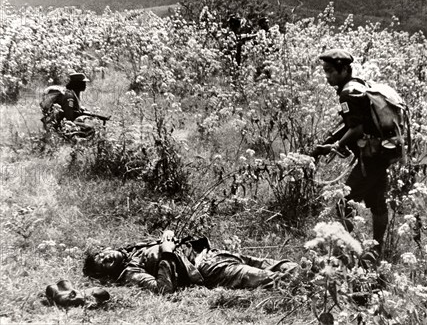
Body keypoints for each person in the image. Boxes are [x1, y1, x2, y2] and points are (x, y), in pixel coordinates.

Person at [311, 49, 398, 256]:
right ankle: (377, 250)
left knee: (344, 203)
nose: (327, 76)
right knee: (378, 202)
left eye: (330, 71)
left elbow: (357, 129)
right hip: (381, 153)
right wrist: (331, 141)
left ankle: (342, 251)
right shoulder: (359, 85)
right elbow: (354, 123)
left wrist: (335, 147)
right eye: (325, 71)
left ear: (343, 70)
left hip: (371, 157)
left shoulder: (347, 93)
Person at [83, 231, 298, 294]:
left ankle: (321, 272)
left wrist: (167, 236)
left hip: (211, 253)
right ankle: (314, 287)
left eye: (102, 255)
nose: (106, 258)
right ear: (109, 274)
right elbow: (163, 289)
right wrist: (167, 255)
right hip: (208, 269)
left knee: (287, 266)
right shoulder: (131, 272)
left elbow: (165, 241)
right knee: (272, 279)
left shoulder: (132, 249)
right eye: (104, 264)